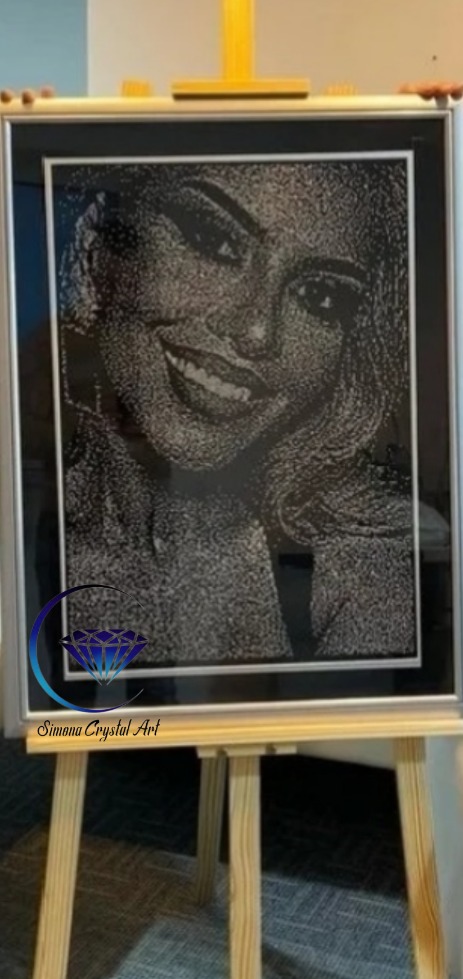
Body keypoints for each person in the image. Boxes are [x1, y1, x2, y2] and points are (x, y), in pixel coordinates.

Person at [4, 81, 460, 673]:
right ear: (102, 250)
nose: (256, 332)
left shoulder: (373, 555)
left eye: (320, 296)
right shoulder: (30, 509)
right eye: (213, 239)